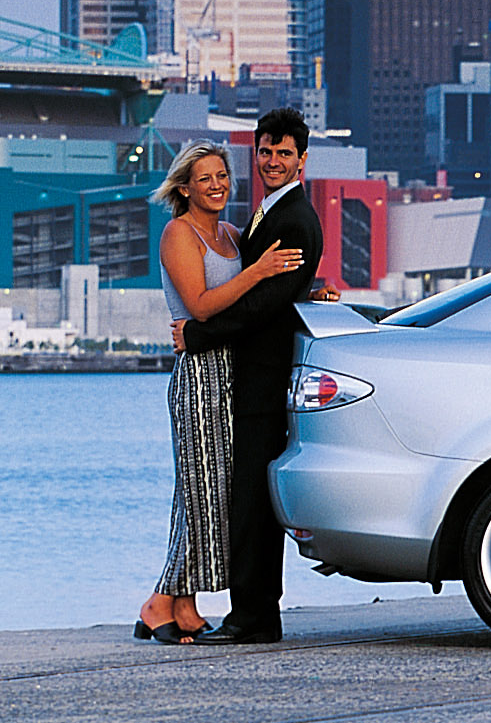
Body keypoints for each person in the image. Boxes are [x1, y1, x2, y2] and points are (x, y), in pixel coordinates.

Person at [139, 140, 305, 644]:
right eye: (204, 178)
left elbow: (259, 298)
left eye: (222, 176)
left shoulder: (233, 235)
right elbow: (203, 306)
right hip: (200, 376)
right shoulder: (177, 234)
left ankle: (183, 606)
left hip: (237, 375)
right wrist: (258, 271)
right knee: (200, 494)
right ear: (184, 187)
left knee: (216, 495)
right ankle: (158, 604)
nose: (216, 185)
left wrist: (308, 293)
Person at [178, 108, 324, 645]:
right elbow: (272, 290)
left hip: (262, 380)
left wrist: (199, 336)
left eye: (285, 153)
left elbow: (266, 301)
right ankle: (255, 613)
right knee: (249, 502)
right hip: (250, 377)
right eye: (266, 151)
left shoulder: (294, 219)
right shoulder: (267, 213)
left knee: (253, 506)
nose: (273, 161)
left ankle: (254, 616)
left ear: (302, 160)